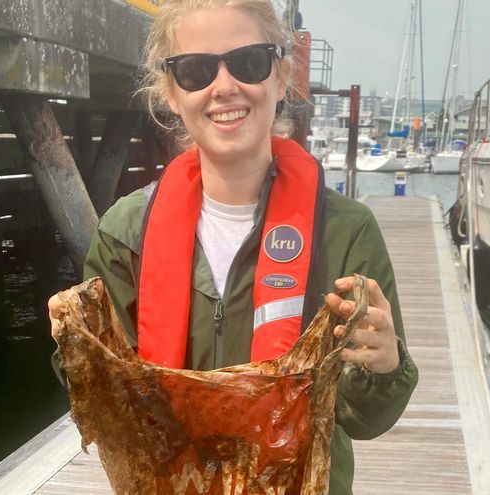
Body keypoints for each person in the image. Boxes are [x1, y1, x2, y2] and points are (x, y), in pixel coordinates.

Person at [49, 1, 418, 493]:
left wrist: (384, 364)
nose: (224, 86)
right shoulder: (125, 232)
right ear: (171, 93)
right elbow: (100, 403)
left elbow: (366, 418)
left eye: (248, 62)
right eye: (196, 70)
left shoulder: (347, 231)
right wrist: (76, 347)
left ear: (280, 78)